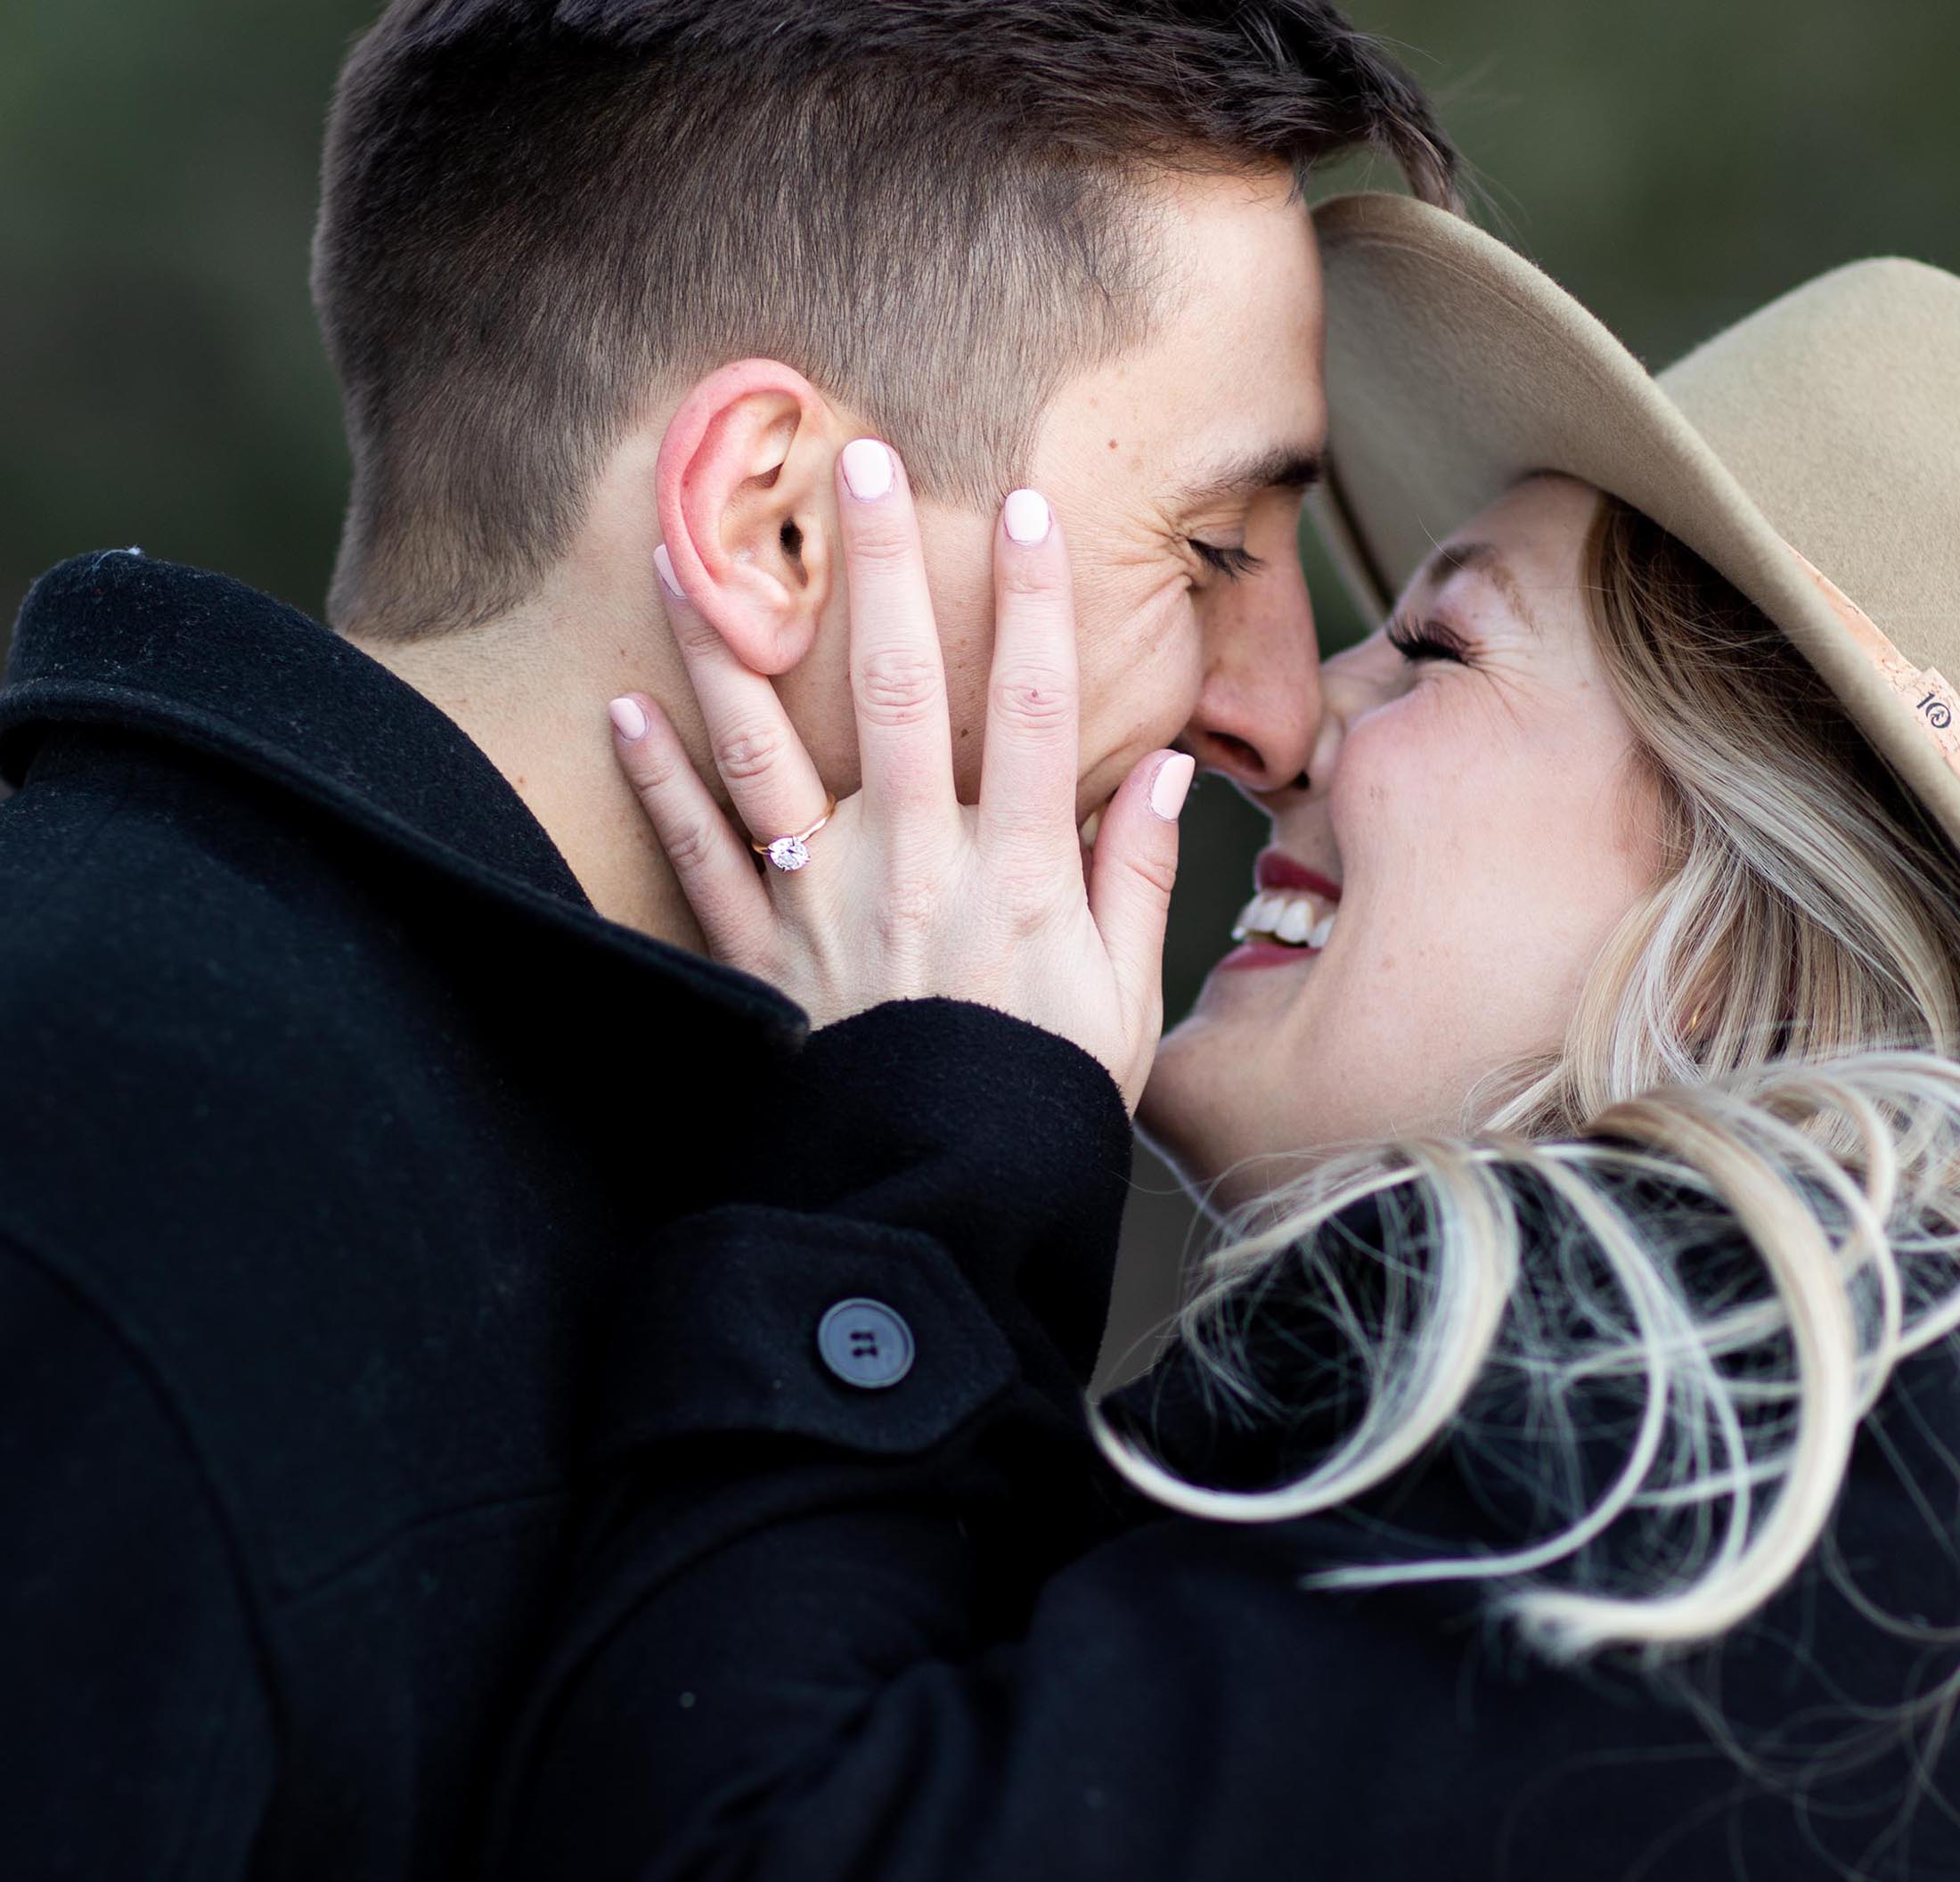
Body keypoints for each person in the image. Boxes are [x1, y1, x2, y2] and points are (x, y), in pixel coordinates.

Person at [0, 5, 1457, 1878]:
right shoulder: (98, 1186)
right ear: (770, 524)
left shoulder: (706, 1160)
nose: (1277, 713)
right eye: (1205, 551)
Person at [489, 196, 1960, 1878]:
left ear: (1743, 914)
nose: (1285, 717)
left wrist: (917, 1139)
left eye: (1436, 645)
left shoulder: (1715, 1450)